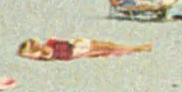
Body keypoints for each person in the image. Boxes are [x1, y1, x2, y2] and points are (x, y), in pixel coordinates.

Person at [16, 37, 154, 61]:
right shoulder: (43, 53)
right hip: (76, 51)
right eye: (33, 44)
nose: (37, 43)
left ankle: (138, 47)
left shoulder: (48, 43)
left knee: (108, 45)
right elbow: (24, 54)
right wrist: (25, 51)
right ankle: (138, 48)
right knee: (108, 47)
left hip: (76, 45)